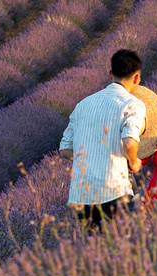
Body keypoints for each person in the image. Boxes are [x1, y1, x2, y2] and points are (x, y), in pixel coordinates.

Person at [59, 48, 147, 228]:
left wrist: (91, 154)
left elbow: (65, 150)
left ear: (110, 74)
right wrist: (134, 161)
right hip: (114, 191)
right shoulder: (133, 104)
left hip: (82, 195)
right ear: (137, 77)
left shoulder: (83, 104)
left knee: (93, 251)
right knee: (124, 248)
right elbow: (129, 142)